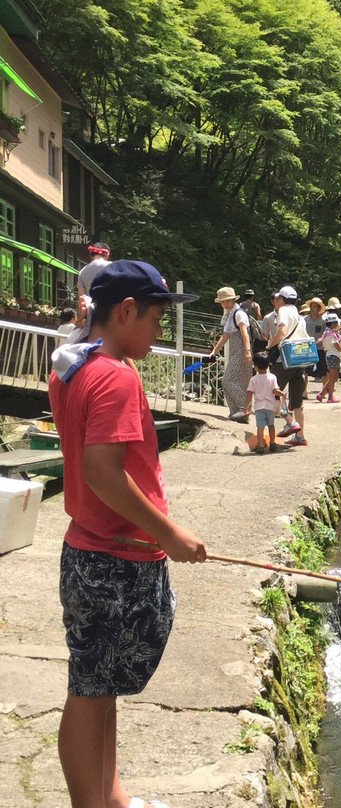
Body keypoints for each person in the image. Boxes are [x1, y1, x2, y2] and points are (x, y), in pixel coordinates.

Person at [47, 259, 206, 808]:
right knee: (90, 695)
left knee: (98, 687)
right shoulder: (113, 375)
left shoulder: (73, 365)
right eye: (157, 318)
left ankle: (111, 799)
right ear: (126, 310)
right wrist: (171, 534)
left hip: (91, 550)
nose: (160, 330)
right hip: (111, 561)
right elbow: (102, 472)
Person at [266, 286, 310, 447]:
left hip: (284, 360)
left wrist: (270, 346)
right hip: (300, 360)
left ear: (283, 299)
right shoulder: (300, 316)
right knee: (297, 402)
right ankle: (300, 436)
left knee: (273, 393)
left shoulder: (284, 311)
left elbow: (282, 331)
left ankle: (290, 422)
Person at [209, 286, 253, 422]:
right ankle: (236, 412)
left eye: (227, 301)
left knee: (227, 380)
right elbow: (225, 335)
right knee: (238, 381)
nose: (225, 304)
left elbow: (244, 332)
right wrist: (214, 351)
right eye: (222, 302)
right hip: (236, 350)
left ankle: (244, 407)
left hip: (241, 350)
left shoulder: (238, 313)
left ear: (233, 299)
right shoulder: (229, 314)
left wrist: (247, 351)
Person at [244, 351, 288, 453]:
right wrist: (282, 394)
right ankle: (272, 443)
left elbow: (249, 393)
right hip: (270, 406)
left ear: (255, 367)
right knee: (271, 425)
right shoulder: (272, 377)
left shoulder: (253, 379)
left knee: (260, 427)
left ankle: (260, 446)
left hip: (259, 407)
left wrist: (245, 406)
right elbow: (275, 390)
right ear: (268, 365)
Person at [317, 312, 341, 403]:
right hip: (332, 357)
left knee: (334, 377)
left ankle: (322, 394)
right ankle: (330, 397)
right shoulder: (330, 334)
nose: (338, 325)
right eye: (336, 323)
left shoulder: (330, 332)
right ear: (333, 324)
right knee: (332, 378)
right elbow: (336, 346)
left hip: (333, 356)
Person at [303, 297, 328, 386]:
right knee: (304, 371)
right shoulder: (304, 320)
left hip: (319, 348)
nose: (312, 309)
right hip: (306, 347)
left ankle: (325, 392)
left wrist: (321, 339)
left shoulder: (323, 321)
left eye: (315, 307)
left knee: (323, 371)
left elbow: (326, 333)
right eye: (311, 306)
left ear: (319, 308)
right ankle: (304, 391)